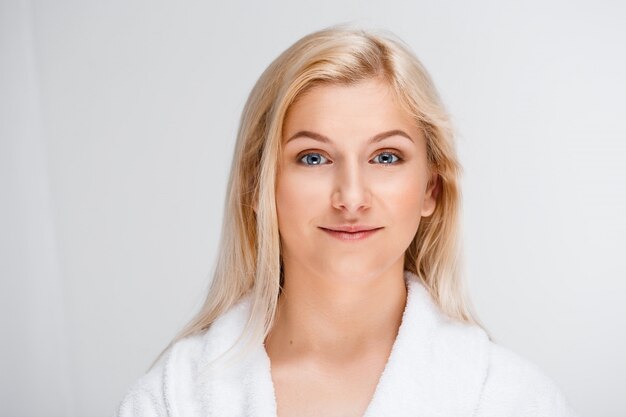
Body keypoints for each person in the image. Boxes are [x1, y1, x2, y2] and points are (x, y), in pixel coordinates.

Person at [115, 24, 579, 417]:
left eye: (386, 156)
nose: (352, 198)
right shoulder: (173, 399)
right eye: (313, 157)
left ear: (430, 190)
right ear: (257, 188)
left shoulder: (513, 399)